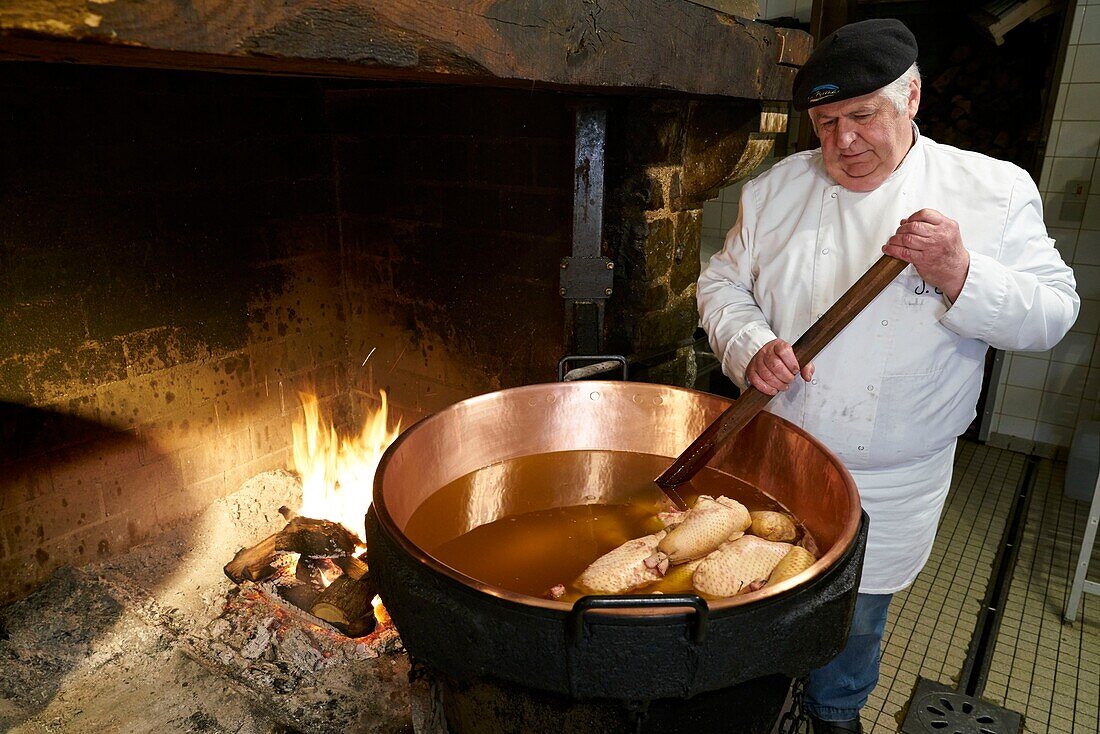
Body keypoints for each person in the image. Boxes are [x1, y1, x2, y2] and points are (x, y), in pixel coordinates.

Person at [697, 17, 1079, 734]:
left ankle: (836, 715)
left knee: (856, 616)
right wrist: (750, 343)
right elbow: (721, 286)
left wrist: (962, 275)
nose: (843, 142)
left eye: (863, 115)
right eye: (826, 121)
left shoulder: (991, 191)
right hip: (779, 454)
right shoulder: (777, 189)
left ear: (911, 97)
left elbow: (1054, 312)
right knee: (752, 592)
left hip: (891, 476)